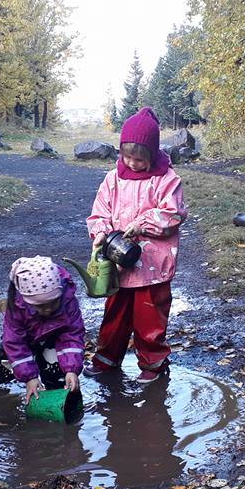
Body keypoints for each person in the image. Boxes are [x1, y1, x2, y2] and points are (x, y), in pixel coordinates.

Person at [84, 107, 187, 384]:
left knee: (149, 317)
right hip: (118, 265)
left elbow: (173, 214)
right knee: (114, 315)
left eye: (139, 159)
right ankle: (106, 358)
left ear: (152, 155)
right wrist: (102, 232)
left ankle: (153, 363)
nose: (131, 163)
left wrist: (143, 224)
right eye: (126, 156)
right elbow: (99, 213)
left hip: (153, 265)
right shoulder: (112, 179)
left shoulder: (166, 180)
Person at [0, 256, 84, 403]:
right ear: (26, 300)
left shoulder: (68, 302)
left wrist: (71, 369)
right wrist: (30, 378)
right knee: (2, 374)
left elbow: (72, 335)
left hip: (51, 341)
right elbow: (15, 342)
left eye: (53, 303)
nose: (48, 310)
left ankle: (54, 397)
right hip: (25, 342)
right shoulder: (17, 307)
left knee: (57, 375)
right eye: (41, 306)